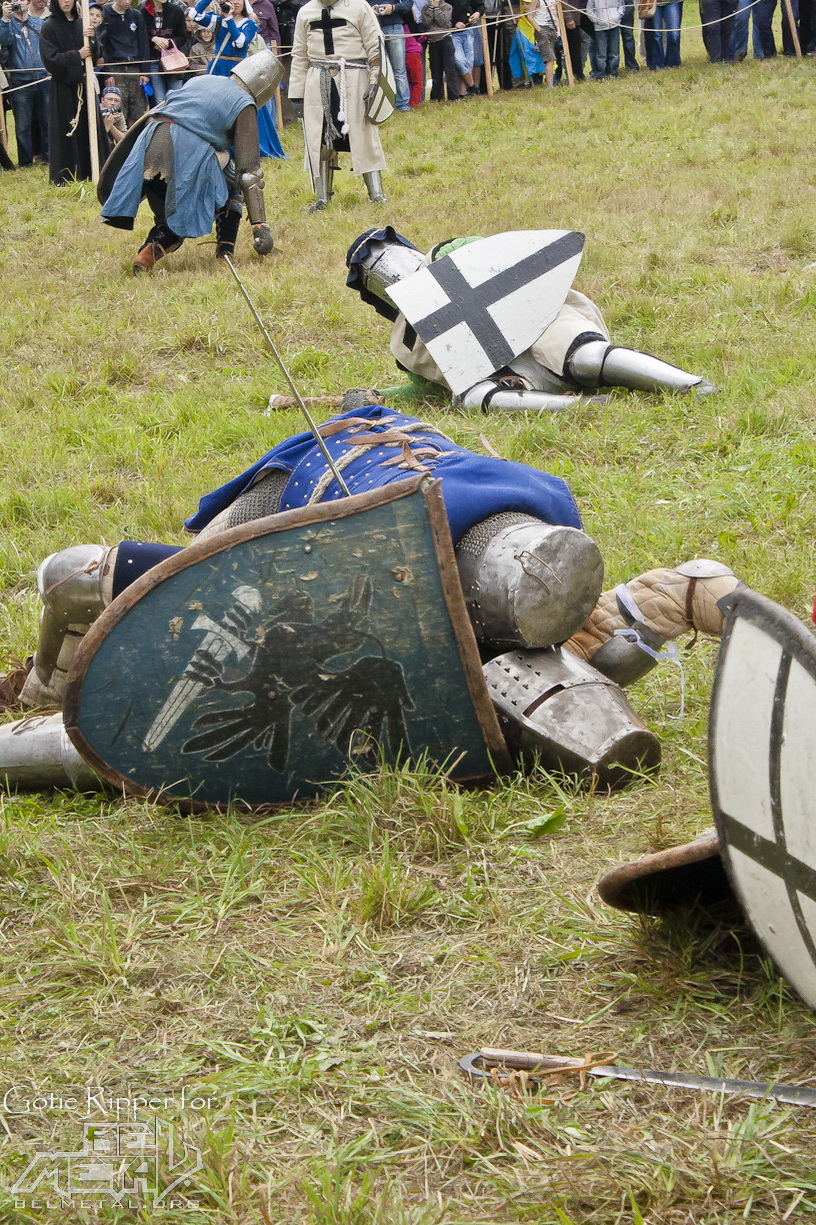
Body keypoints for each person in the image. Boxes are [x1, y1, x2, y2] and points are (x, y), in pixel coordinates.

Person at [0, 391, 738, 797]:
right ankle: (618, 625)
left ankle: (44, 691)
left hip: (455, 589)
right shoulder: (491, 475)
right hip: (502, 572)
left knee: (71, 574)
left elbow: (200, 571)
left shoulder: (291, 467)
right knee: (506, 651)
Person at [345, 227, 717, 411]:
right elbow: (428, 390)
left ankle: (691, 385)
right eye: (373, 274)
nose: (386, 271)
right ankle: (584, 408)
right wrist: (378, 397)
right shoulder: (404, 341)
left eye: (385, 257)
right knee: (474, 397)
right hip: (514, 377)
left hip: (545, 329)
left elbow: (510, 267)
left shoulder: (451, 253)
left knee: (586, 358)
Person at [100, 50, 277, 271]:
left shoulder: (203, 79)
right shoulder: (244, 103)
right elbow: (249, 173)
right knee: (222, 191)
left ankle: (146, 255)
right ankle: (225, 252)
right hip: (186, 147)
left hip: (151, 137)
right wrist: (260, 227)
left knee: (167, 210)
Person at [288, 0, 388, 209]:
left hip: (354, 79)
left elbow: (376, 47)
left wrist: (374, 83)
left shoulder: (359, 7)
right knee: (320, 138)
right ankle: (323, 198)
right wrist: (296, 94)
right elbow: (299, 55)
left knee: (363, 136)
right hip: (318, 81)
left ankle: (376, 194)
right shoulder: (306, 12)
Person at [191, 0, 285, 158]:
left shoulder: (249, 23)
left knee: (240, 107)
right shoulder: (218, 20)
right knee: (214, 105)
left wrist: (228, 20)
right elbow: (195, 14)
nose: (235, 2)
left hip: (238, 70)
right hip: (218, 67)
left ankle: (243, 146)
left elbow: (240, 42)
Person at [39, 0, 109, 185]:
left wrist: (92, 40)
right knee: (66, 130)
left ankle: (93, 169)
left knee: (89, 127)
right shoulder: (48, 27)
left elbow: (97, 56)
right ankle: (67, 175)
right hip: (63, 87)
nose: (66, 1)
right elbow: (50, 59)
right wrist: (77, 55)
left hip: (84, 85)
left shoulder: (82, 24)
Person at [0, 0, 49, 166]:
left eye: (22, 0)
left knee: (47, 121)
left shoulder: (40, 23)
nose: (19, 3)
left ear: (28, 3)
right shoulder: (6, 24)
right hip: (20, 80)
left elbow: (48, 46)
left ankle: (48, 157)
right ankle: (26, 161)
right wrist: (5, 19)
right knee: (22, 125)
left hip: (43, 77)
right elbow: (5, 42)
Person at [99, 0, 151, 125]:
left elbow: (143, 43)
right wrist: (107, 73)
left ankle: (135, 137)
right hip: (115, 68)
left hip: (135, 68)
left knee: (138, 111)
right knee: (117, 110)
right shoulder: (105, 13)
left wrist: (145, 71)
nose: (127, 2)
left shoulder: (136, 15)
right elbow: (102, 46)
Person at [139, 0, 189, 101]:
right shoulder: (142, 11)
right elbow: (140, 37)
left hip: (173, 60)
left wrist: (168, 43)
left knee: (176, 97)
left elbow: (183, 37)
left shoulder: (176, 10)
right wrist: (153, 39)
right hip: (153, 59)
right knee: (160, 99)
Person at [367, 0, 412, 110]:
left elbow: (408, 4)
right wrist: (369, 9)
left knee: (399, 69)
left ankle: (402, 104)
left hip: (394, 27)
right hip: (371, 28)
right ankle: (376, 103)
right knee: (374, 69)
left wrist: (393, 7)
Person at [422, 0, 459, 98]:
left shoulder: (447, 6)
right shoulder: (425, 8)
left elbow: (444, 22)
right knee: (435, 71)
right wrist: (431, 8)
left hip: (445, 40)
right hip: (433, 41)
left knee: (449, 70)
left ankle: (453, 96)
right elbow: (426, 23)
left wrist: (436, 8)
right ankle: (436, 96)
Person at [523, 0, 557, 86]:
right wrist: (539, 30)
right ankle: (550, 85)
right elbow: (529, 16)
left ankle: (551, 82)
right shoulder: (536, 1)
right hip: (542, 28)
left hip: (553, 29)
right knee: (549, 58)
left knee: (551, 58)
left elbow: (557, 15)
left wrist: (558, 30)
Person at [586, 0, 623, 76]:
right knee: (601, 53)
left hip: (614, 25)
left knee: (614, 52)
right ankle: (601, 74)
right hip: (599, 28)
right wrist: (597, 21)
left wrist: (617, 16)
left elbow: (621, 6)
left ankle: (613, 72)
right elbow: (589, 10)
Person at [643, 0, 681, 67]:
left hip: (672, 2)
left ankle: (672, 63)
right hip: (654, 3)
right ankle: (657, 64)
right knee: (656, 35)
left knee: (674, 33)